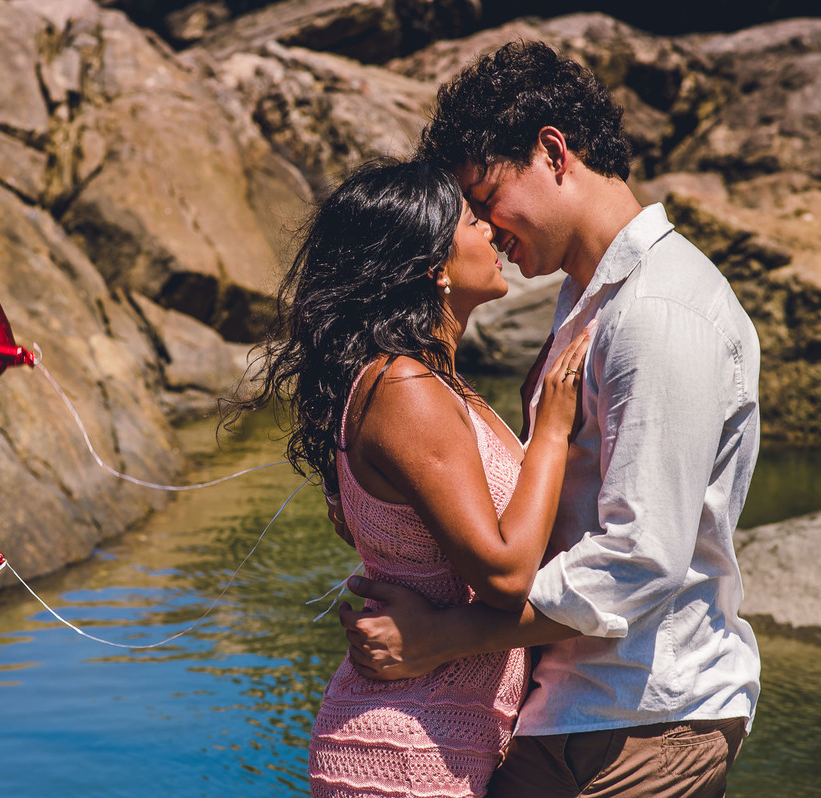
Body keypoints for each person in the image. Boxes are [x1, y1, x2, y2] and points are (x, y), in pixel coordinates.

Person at [335, 41, 761, 798]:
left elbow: (640, 558)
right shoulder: (588, 299)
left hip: (643, 715)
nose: (484, 226)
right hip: (576, 710)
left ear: (554, 152)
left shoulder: (658, 311)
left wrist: (445, 638)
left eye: (485, 196)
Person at [226, 155, 594, 797]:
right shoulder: (404, 387)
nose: (490, 228)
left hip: (442, 735)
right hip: (405, 747)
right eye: (471, 221)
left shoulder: (435, 387)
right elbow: (505, 576)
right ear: (433, 267)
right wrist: (552, 434)